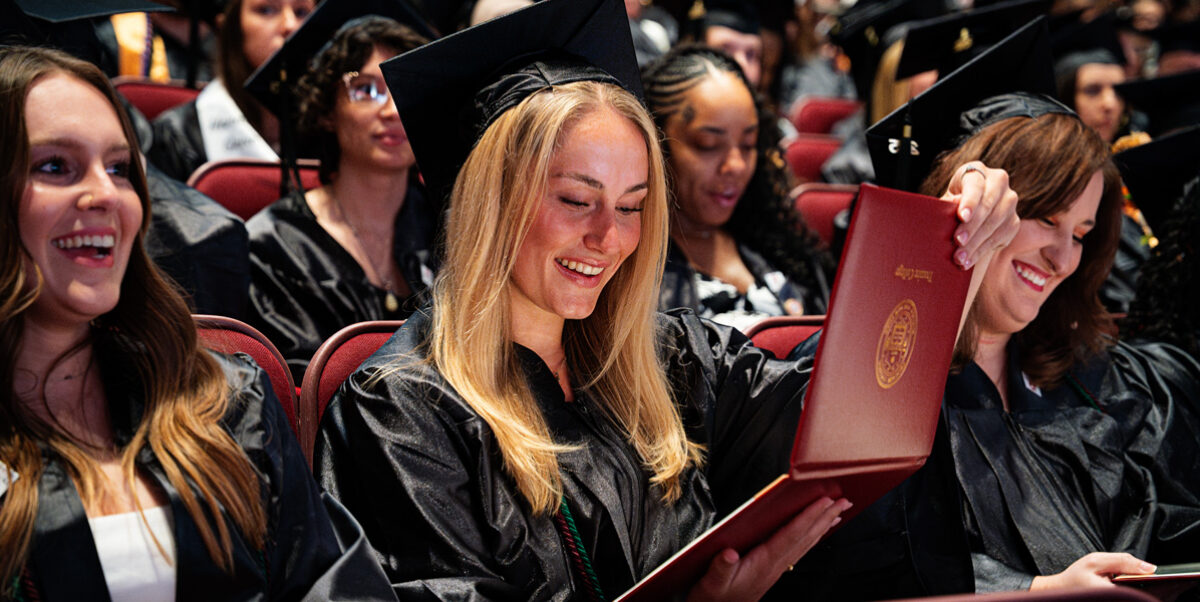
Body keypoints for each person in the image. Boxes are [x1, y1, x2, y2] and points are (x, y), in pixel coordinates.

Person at [314, 0, 1019, 598]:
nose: (607, 238)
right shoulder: (404, 412)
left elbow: (847, 415)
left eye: (633, 205)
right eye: (575, 199)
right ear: (490, 201)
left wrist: (954, 241)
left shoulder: (673, 357)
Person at [783, 23, 1200, 598]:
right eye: (1046, 218)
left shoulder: (1101, 379)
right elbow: (852, 563)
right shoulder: (870, 381)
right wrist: (1034, 591)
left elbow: (1168, 520)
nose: (1062, 258)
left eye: (1081, 233)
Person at [0, 45, 393, 600]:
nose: (105, 195)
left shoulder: (225, 399)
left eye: (119, 167)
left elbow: (331, 583)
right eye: (54, 167)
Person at [246, 12, 435, 382]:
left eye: (405, 89)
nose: (392, 110)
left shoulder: (450, 228)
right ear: (327, 110)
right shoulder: (276, 247)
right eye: (366, 89)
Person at [642, 45, 833, 331]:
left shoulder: (773, 244)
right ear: (655, 144)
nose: (736, 165)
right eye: (708, 145)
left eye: (747, 145)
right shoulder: (634, 278)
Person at [148, 0, 314, 182]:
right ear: (228, 26)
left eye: (301, 12)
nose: (290, 25)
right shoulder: (178, 136)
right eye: (266, 10)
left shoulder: (331, 128)